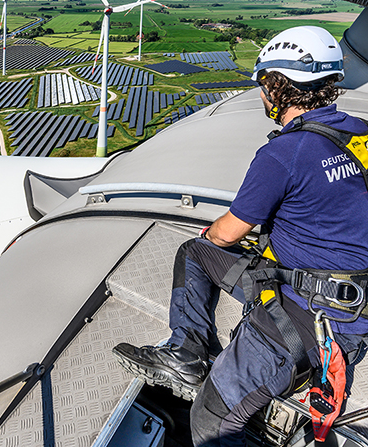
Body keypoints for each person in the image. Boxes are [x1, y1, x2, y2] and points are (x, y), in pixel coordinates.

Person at [113, 26, 368, 447]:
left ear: (277, 85)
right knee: (197, 255)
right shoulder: (356, 135)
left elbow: (228, 233)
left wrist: (216, 231)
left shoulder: (284, 153)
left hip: (307, 318)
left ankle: (188, 354)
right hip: (348, 304)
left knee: (212, 422)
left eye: (265, 82)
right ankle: (187, 356)